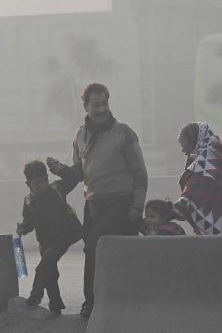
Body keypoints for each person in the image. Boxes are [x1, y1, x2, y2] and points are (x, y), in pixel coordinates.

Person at [46, 82, 147, 318]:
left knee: (93, 245)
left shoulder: (124, 133)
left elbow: (140, 174)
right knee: (92, 251)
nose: (101, 109)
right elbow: (79, 173)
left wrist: (136, 206)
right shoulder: (81, 135)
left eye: (104, 103)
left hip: (121, 202)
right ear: (86, 106)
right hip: (93, 204)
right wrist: (60, 171)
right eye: (95, 104)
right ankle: (105, 300)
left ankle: (90, 302)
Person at [16, 160, 82, 315]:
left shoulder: (57, 188)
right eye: (37, 182)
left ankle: (35, 296)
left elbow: (73, 179)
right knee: (50, 271)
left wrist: (60, 169)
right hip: (44, 241)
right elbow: (29, 221)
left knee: (43, 266)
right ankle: (55, 303)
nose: (42, 185)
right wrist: (23, 228)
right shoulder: (28, 201)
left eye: (44, 180)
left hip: (63, 237)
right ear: (28, 184)